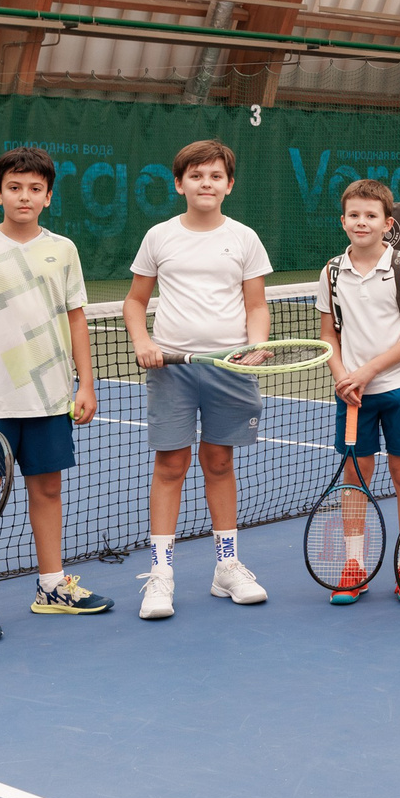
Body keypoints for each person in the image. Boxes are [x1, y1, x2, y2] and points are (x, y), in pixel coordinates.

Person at [0, 146, 107, 641]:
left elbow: (76, 319)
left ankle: (52, 586)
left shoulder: (64, 250)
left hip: (50, 398)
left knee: (48, 489)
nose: (24, 196)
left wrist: (85, 383)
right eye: (14, 187)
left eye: (34, 188)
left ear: (48, 197)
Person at [122, 138, 271, 621]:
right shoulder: (159, 236)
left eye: (215, 176)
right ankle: (161, 576)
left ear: (229, 185)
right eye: (196, 176)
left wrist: (259, 342)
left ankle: (226, 567)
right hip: (171, 371)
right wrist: (143, 341)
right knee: (170, 466)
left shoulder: (244, 237)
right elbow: (134, 302)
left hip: (229, 368)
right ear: (179, 183)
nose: (205, 184)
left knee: (220, 463)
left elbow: (256, 305)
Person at [316, 178, 400, 603]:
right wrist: (341, 374)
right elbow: (328, 334)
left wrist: (365, 372)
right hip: (352, 394)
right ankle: (353, 565)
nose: (361, 222)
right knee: (356, 477)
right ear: (342, 220)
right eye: (354, 215)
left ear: (387, 224)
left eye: (370, 216)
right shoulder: (330, 271)